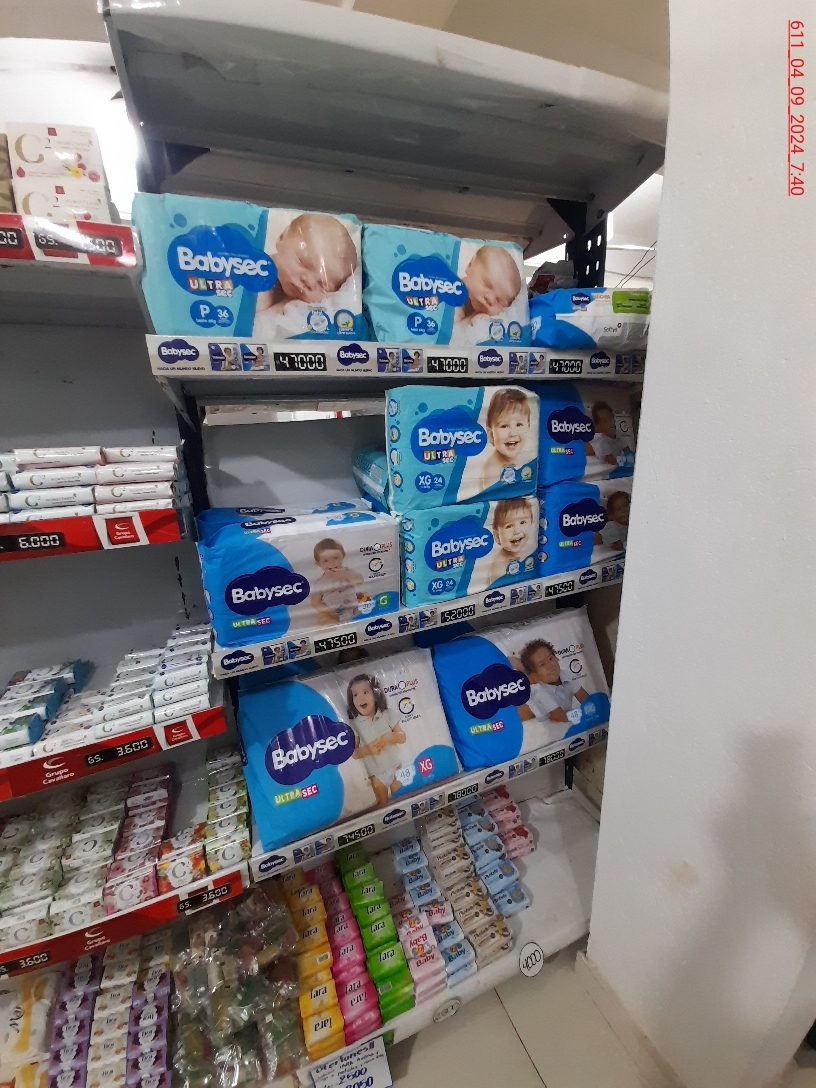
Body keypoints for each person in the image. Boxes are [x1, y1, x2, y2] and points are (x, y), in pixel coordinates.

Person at [253, 213, 358, 336]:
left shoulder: (297, 305)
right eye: (303, 262)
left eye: (322, 285)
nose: (308, 282)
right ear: (281, 238)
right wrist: (278, 307)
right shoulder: (257, 272)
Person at [347, 672, 406, 803]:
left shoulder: (387, 714)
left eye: (365, 692)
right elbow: (354, 754)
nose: (360, 698)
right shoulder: (355, 724)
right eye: (355, 695)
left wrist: (388, 737)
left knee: (401, 799)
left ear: (376, 694)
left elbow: (402, 737)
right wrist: (367, 749)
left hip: (395, 766)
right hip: (375, 773)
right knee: (382, 803)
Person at [451, 244, 522, 344]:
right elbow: (451, 335)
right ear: (470, 265)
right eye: (486, 283)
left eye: (500, 301)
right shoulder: (454, 293)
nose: (490, 299)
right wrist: (470, 320)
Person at [515, 638, 590, 724]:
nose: (550, 665)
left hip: (561, 714)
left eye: (550, 658)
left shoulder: (566, 675)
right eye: (542, 665)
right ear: (535, 674)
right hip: (532, 722)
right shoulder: (540, 692)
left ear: (556, 658)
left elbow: (587, 700)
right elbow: (561, 719)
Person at [472, 496, 537, 587]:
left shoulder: (532, 548)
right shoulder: (499, 565)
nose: (517, 531)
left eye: (522, 522)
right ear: (497, 536)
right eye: (509, 526)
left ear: (532, 523)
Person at [477, 388, 533, 492]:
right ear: (491, 434)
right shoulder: (492, 468)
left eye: (519, 424)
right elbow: (493, 497)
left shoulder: (528, 457)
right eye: (504, 426)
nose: (512, 433)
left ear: (528, 426)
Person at [309, 537, 363, 626]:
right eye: (326, 561)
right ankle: (336, 627)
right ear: (318, 563)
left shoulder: (347, 572)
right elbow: (315, 602)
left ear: (343, 556)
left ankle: (356, 622)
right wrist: (328, 611)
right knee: (321, 619)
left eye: (336, 558)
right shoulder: (319, 583)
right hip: (334, 614)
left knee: (365, 607)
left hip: (353, 608)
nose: (332, 563)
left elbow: (359, 581)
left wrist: (346, 575)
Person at [586, 401, 630, 465]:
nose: (610, 422)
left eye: (610, 418)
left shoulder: (617, 433)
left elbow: (629, 454)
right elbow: (613, 464)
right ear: (598, 426)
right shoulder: (600, 442)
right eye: (604, 421)